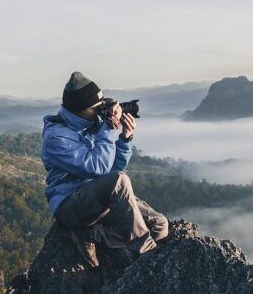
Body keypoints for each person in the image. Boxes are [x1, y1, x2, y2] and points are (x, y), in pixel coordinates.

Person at [41, 71, 168, 268]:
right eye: (96, 108)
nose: (101, 111)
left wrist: (125, 139)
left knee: (159, 225)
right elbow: (98, 169)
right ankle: (144, 253)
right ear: (80, 109)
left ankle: (93, 235)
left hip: (97, 202)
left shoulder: (92, 125)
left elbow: (112, 169)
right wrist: (108, 128)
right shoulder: (57, 137)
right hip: (71, 206)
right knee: (119, 180)